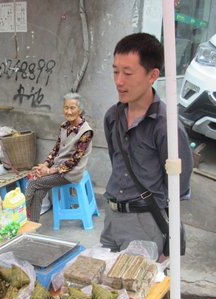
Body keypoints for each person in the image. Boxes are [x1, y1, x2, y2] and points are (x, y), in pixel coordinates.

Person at [100, 33, 193, 261]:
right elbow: (117, 161)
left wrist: (166, 242)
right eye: (115, 71)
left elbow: (178, 186)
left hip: (145, 221)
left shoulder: (166, 127)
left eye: (128, 73)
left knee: (140, 292)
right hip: (112, 217)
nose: (119, 81)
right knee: (108, 288)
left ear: (153, 75)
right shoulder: (113, 116)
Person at [25, 92, 93, 223]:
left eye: (72, 108)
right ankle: (33, 226)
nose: (68, 111)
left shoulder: (86, 132)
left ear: (80, 109)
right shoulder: (65, 126)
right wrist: (45, 165)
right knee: (38, 191)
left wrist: (49, 171)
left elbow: (73, 162)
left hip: (70, 173)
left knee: (33, 182)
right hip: (57, 169)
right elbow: (56, 149)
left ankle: (17, 216)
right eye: (66, 107)